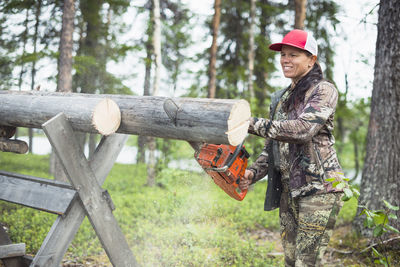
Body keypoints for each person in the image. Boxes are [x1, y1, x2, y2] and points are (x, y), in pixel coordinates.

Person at [239, 29, 345, 267]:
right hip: (289, 190)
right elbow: (272, 147)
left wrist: (249, 123)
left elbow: (302, 129)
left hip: (320, 190)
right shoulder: (281, 98)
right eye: (283, 54)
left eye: (293, 55)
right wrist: (252, 173)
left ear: (311, 59)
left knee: (305, 263)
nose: (285, 60)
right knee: (290, 260)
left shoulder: (323, 90)